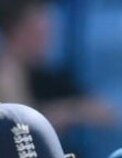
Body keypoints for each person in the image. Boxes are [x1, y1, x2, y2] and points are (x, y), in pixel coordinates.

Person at [0, 0, 116, 142]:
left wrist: (66, 112)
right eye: (38, 31)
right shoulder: (6, 76)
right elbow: (19, 132)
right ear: (15, 31)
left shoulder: (52, 78)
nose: (47, 38)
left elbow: (109, 115)